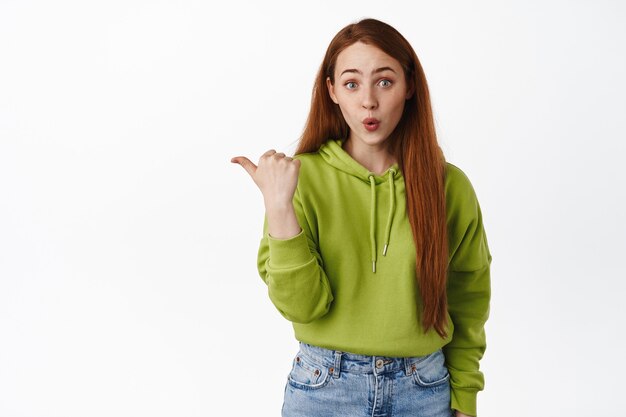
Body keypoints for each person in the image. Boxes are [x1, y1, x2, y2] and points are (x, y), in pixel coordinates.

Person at [231, 17, 492, 417]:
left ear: (408, 88)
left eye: (384, 82)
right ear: (332, 91)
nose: (368, 101)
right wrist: (279, 206)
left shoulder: (448, 187)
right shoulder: (301, 178)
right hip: (323, 389)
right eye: (352, 83)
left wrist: (465, 397)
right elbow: (302, 308)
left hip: (423, 389)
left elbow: (468, 298)